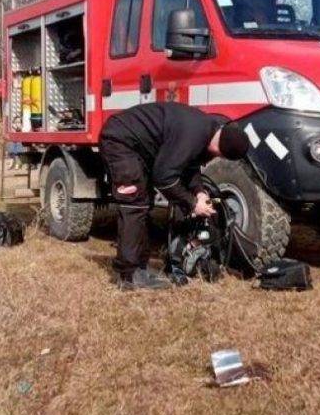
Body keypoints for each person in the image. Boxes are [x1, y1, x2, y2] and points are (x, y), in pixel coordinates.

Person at [98, 102, 251, 290]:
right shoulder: (194, 135)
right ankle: (129, 276)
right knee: (135, 204)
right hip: (120, 141)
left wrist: (199, 192)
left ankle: (140, 268)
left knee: (144, 205)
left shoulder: (208, 130)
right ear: (220, 150)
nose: (214, 158)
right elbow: (164, 177)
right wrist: (192, 203)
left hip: (137, 145)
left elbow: (189, 165)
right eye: (218, 155)